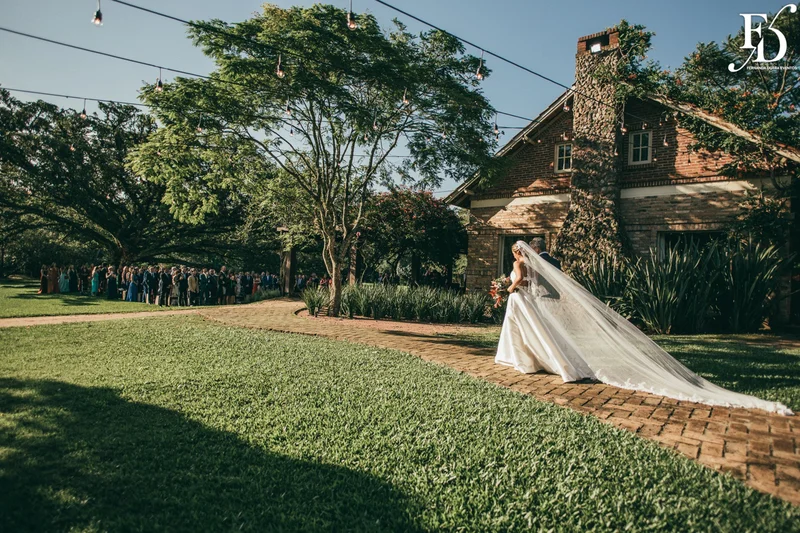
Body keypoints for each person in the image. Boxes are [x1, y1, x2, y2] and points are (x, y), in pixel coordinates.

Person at [494, 241, 793, 415]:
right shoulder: (541, 262)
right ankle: (534, 358)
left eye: (514, 253)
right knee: (538, 334)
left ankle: (527, 358)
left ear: (520, 252)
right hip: (529, 303)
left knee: (532, 334)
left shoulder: (522, 265)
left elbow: (520, 281)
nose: (514, 257)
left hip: (522, 301)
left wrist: (506, 289)